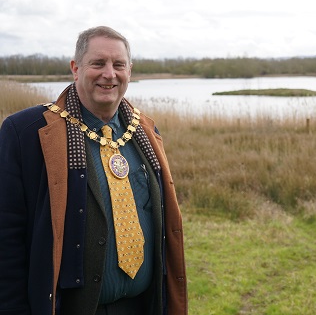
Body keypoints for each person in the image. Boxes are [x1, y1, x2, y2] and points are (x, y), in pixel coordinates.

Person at [0, 26, 187, 314]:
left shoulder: (145, 131)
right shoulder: (26, 132)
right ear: (76, 68)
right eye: (98, 63)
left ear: (129, 71)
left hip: (144, 305)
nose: (109, 74)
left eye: (118, 65)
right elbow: (7, 235)